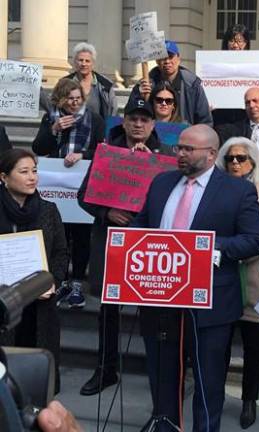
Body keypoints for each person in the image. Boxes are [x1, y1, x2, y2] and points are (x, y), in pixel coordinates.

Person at [132, 124, 259, 431]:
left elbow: (255, 240)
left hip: (210, 304)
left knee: (208, 385)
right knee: (163, 379)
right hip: (160, 299)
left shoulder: (238, 190)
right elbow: (141, 226)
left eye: (187, 149)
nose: (179, 153)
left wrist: (208, 248)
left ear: (209, 154)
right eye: (178, 147)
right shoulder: (162, 183)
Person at [77, 98, 162, 396]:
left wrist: (151, 163)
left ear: (153, 124)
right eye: (133, 119)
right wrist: (106, 213)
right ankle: (106, 368)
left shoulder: (164, 156)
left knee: (151, 312)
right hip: (111, 242)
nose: (139, 124)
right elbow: (83, 196)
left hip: (147, 247)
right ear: (124, 121)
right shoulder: (106, 153)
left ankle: (160, 371)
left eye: (145, 119)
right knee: (108, 310)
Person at [216, 136, 259, 429]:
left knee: (254, 344)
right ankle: (215, 394)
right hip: (221, 273)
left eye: (241, 158)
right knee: (221, 342)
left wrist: (243, 248)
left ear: (252, 161)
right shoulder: (216, 188)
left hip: (254, 274)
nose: (235, 163)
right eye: (230, 158)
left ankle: (249, 399)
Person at [32, 77, 105, 309]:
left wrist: (83, 155)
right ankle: (59, 279)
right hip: (55, 186)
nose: (74, 104)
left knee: (81, 235)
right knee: (59, 234)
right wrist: (53, 130)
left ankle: (76, 283)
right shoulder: (50, 118)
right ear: (59, 100)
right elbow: (38, 148)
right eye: (69, 99)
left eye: (77, 99)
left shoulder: (94, 119)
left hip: (81, 183)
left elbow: (103, 149)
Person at [0, 149, 68, 392]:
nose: (32, 177)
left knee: (38, 383)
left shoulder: (48, 210)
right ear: (4, 177)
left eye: (35, 171)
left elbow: (61, 254)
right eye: (24, 171)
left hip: (40, 307)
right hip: (3, 307)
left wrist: (53, 281)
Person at [130, 40, 213, 126]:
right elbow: (130, 115)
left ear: (178, 59)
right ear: (157, 61)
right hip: (152, 135)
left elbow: (205, 121)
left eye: (170, 56)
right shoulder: (144, 85)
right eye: (163, 57)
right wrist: (140, 98)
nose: (167, 61)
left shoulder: (193, 85)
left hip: (184, 136)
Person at [64, 42, 118, 119]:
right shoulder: (65, 83)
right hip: (71, 129)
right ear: (74, 62)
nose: (83, 64)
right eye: (80, 60)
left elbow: (113, 112)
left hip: (98, 129)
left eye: (87, 61)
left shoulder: (105, 85)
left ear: (93, 63)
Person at [212, 24, 252, 127]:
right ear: (226, 43)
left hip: (244, 116)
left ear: (246, 43)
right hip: (220, 116)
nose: (235, 45)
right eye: (232, 41)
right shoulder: (214, 63)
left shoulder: (253, 65)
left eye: (240, 41)